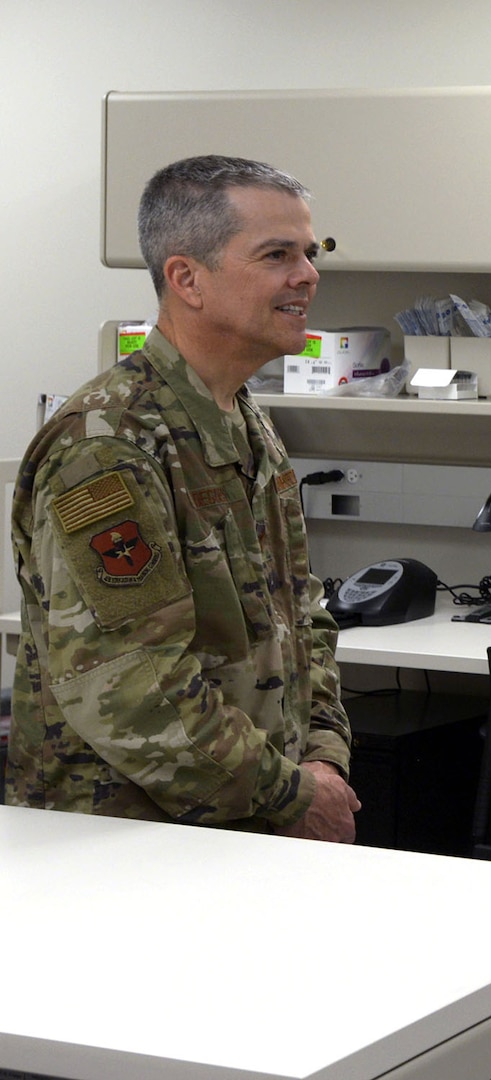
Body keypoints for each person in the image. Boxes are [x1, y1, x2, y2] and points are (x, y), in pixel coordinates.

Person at [6, 155, 359, 843]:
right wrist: (293, 793)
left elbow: (302, 615)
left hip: (242, 826)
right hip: (126, 847)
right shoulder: (108, 445)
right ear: (186, 279)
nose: (308, 275)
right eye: (277, 255)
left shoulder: (244, 421)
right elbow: (133, 687)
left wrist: (323, 758)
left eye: (309, 254)